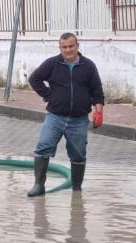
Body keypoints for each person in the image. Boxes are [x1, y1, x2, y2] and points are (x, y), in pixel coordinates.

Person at [27, 32, 104, 196]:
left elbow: (97, 91)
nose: (68, 50)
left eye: (71, 46)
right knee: (43, 147)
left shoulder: (88, 66)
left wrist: (98, 111)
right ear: (60, 48)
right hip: (55, 117)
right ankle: (39, 185)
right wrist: (48, 95)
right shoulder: (52, 64)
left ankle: (76, 189)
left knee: (78, 154)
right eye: (64, 47)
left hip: (79, 120)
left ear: (77, 46)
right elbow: (34, 79)